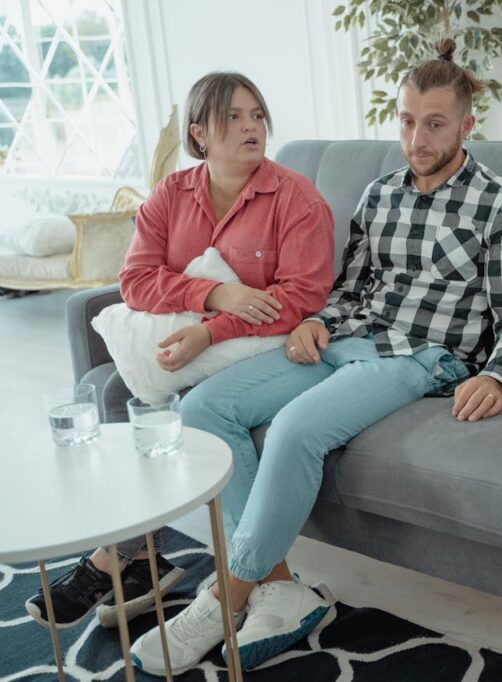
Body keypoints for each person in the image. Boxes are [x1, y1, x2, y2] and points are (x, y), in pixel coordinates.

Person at [130, 40, 502, 675]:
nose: (417, 139)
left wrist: (497, 375)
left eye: (435, 124)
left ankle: (225, 596)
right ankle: (279, 588)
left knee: (295, 430)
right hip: (347, 339)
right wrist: (315, 322)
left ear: (467, 125)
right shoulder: (379, 194)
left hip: (420, 356)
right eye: (407, 121)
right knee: (204, 409)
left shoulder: (501, 204)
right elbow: (347, 290)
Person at [25, 72, 335, 632]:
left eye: (257, 116)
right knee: (116, 391)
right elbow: (135, 280)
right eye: (233, 117)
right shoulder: (170, 195)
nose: (251, 127)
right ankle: (136, 557)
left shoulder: (297, 199)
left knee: (137, 396)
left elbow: (302, 298)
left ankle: (132, 561)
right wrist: (214, 293)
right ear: (199, 133)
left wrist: (210, 331)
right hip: (196, 340)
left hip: (262, 348)